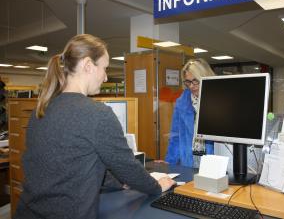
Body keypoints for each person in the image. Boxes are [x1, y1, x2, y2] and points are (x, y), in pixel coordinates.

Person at [14, 34, 175, 219]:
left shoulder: (41, 109)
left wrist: (117, 183)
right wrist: (157, 187)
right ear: (88, 66)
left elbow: (74, 164)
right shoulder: (97, 114)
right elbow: (127, 166)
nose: (106, 77)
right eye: (105, 68)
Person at [165, 58, 215, 168]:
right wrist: (169, 164)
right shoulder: (181, 103)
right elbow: (175, 137)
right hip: (188, 163)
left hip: (214, 163)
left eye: (195, 81)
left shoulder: (218, 101)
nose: (191, 86)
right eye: (188, 82)